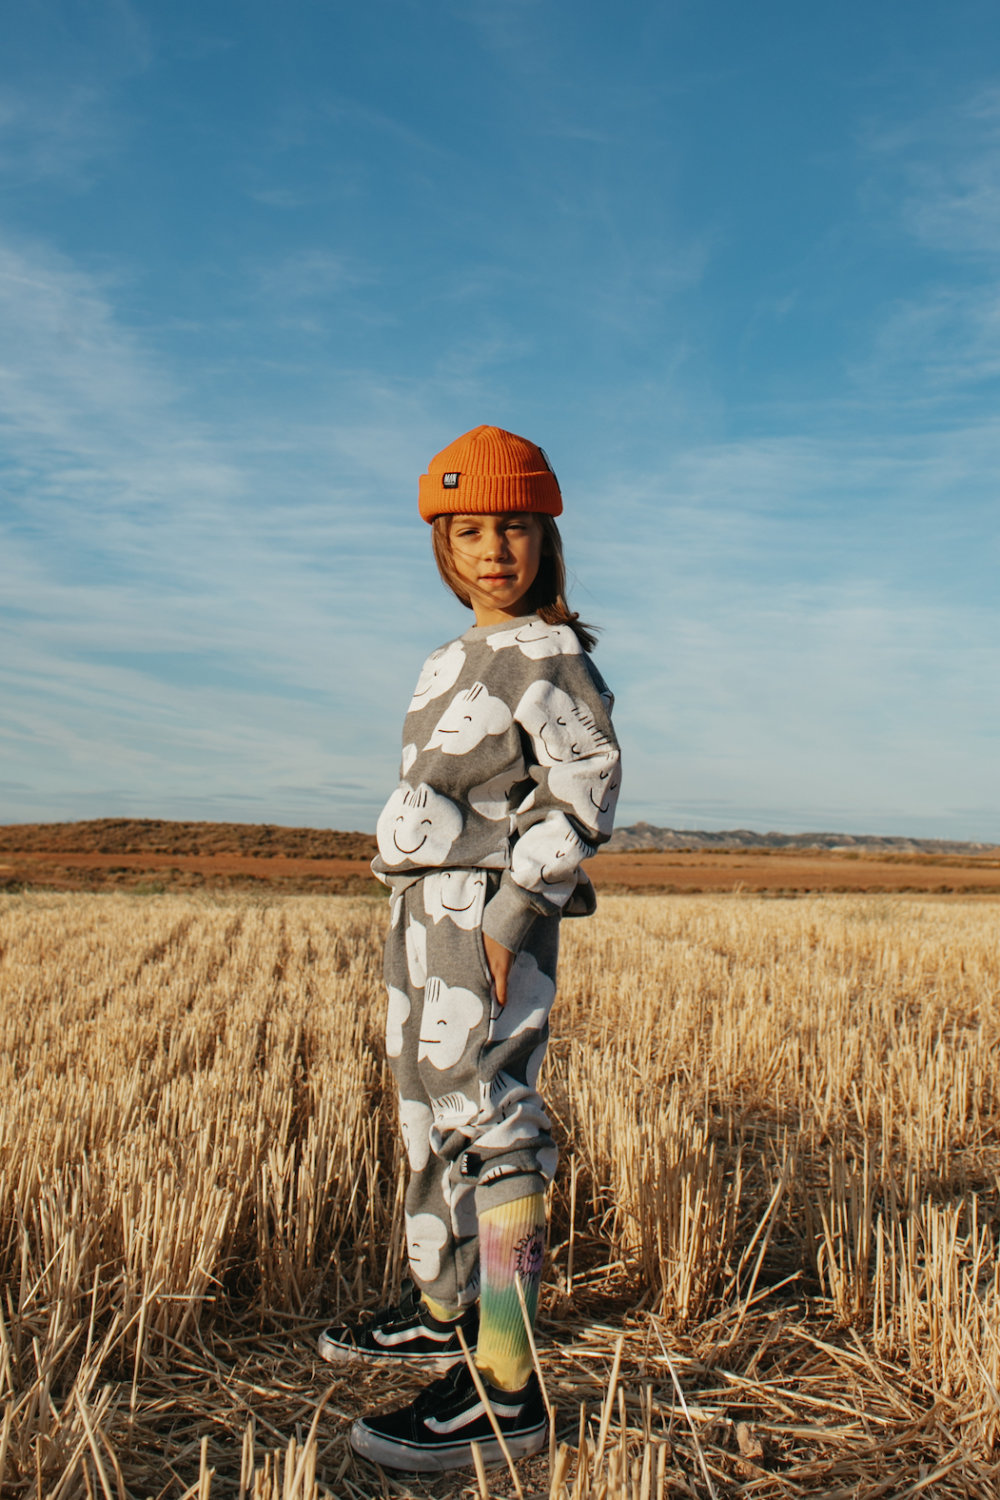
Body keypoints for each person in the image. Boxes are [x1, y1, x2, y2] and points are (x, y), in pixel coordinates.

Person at [318, 424, 621, 1474]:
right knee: (425, 1105)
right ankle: (448, 1308)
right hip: (423, 913)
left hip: (491, 912)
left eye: (513, 529)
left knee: (493, 1123)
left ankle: (505, 1385)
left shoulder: (551, 653)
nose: (493, 550)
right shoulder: (454, 654)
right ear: (441, 546)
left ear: (545, 538)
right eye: (469, 531)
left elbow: (578, 799)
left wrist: (505, 922)